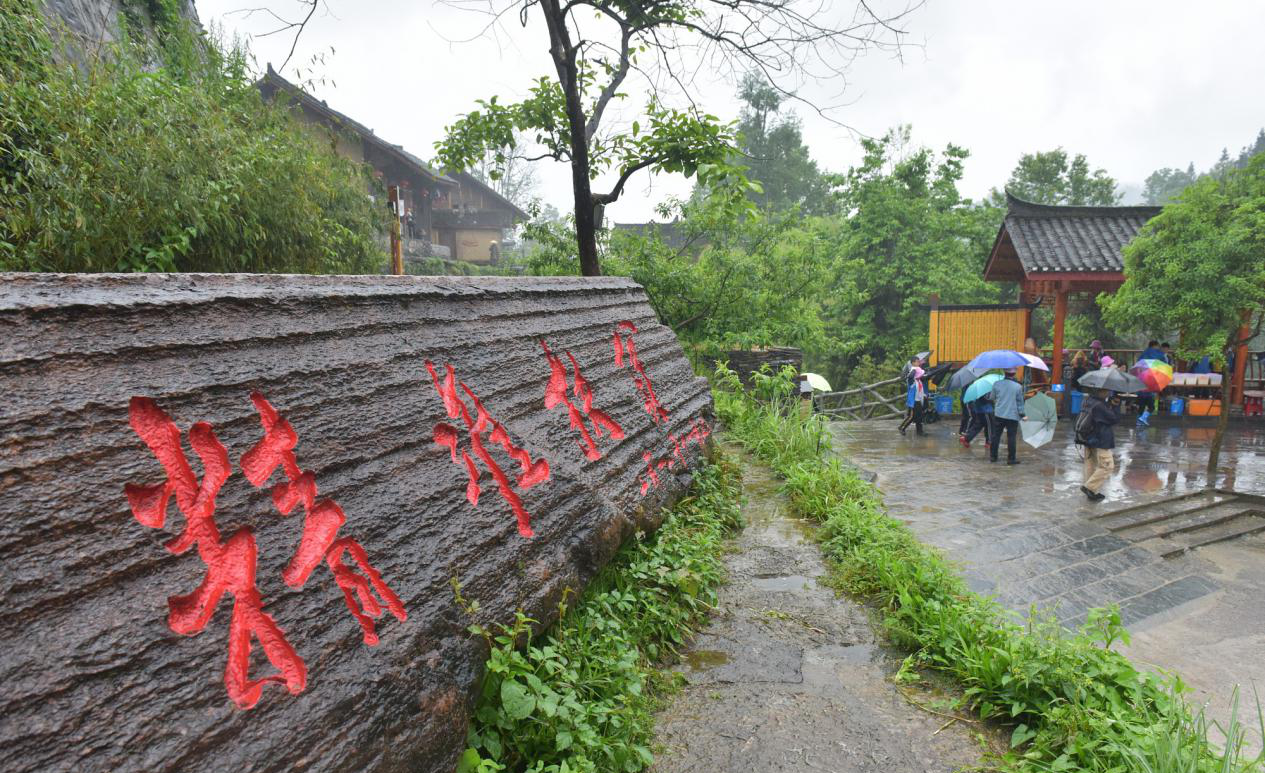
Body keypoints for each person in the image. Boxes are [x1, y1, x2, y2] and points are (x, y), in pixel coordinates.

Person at [1079, 389, 1120, 501]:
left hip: (1088, 438)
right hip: (1101, 439)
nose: (1108, 393)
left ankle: (1092, 492)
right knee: (1107, 466)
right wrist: (1116, 406)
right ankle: (1089, 487)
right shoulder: (1100, 406)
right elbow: (1114, 419)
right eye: (1107, 391)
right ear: (1101, 391)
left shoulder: (1087, 401)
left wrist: (1108, 404)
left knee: (1090, 464)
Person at [989, 368, 1025, 464]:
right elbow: (1020, 403)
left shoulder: (997, 384)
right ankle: (1011, 459)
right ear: (1014, 373)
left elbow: (992, 397)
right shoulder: (1018, 387)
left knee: (996, 436)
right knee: (1011, 437)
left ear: (1005, 372)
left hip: (999, 414)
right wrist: (1022, 414)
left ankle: (993, 457)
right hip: (1012, 415)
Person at [899, 366, 927, 436]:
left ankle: (919, 431)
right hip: (913, 401)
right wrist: (914, 369)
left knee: (919, 417)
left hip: (919, 401)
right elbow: (910, 376)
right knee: (911, 417)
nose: (921, 375)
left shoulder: (919, 381)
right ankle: (902, 427)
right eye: (920, 374)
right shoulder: (912, 381)